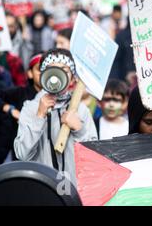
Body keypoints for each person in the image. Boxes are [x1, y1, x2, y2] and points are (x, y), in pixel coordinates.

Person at [14, 48, 97, 185]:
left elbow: (93, 159)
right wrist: (39, 117)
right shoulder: (30, 108)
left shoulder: (80, 110)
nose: (58, 74)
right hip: (41, 187)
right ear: (43, 75)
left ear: (72, 77)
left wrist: (79, 130)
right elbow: (22, 154)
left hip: (74, 188)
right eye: (51, 68)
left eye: (64, 69)